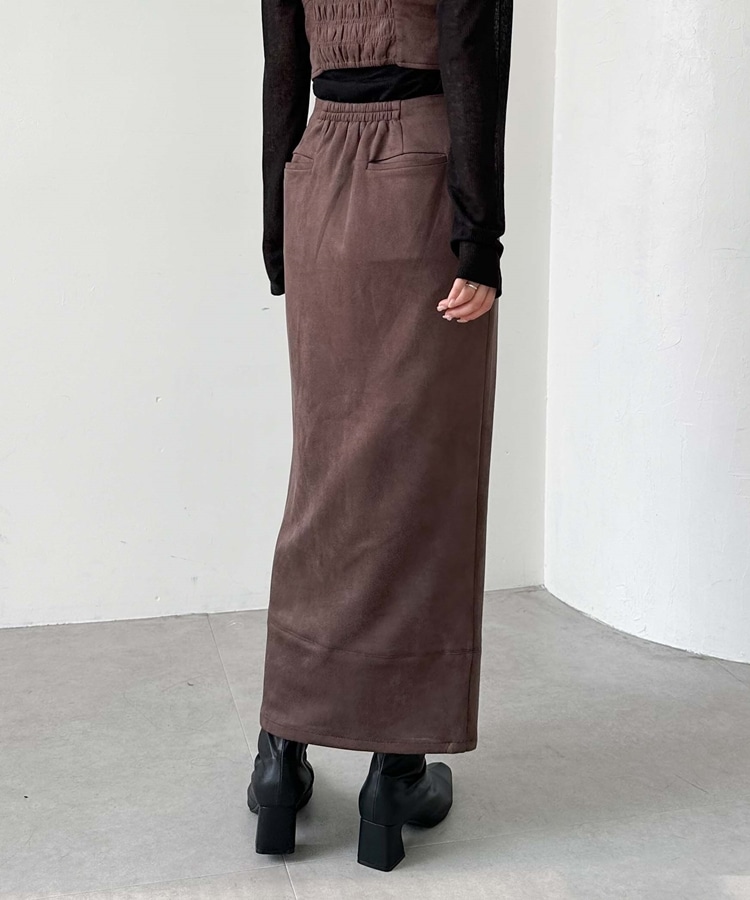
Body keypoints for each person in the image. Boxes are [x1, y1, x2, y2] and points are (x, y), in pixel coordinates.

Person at [247, 0, 513, 872]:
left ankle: (281, 757)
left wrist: (279, 228)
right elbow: (471, 55)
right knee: (420, 479)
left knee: (324, 474)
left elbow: (282, 69)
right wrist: (479, 236)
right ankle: (393, 773)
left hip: (315, 169)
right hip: (421, 176)